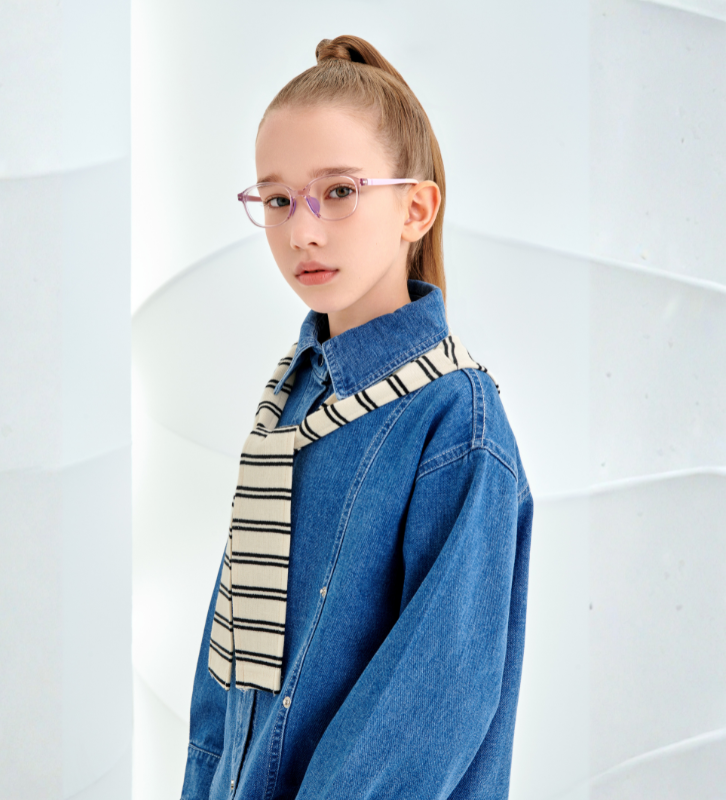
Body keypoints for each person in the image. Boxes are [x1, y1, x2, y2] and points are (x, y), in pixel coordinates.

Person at [180, 34, 533, 800]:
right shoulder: (288, 405)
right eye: (278, 199)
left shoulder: (454, 421)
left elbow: (430, 708)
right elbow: (228, 687)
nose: (302, 231)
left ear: (416, 208)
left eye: (339, 191)